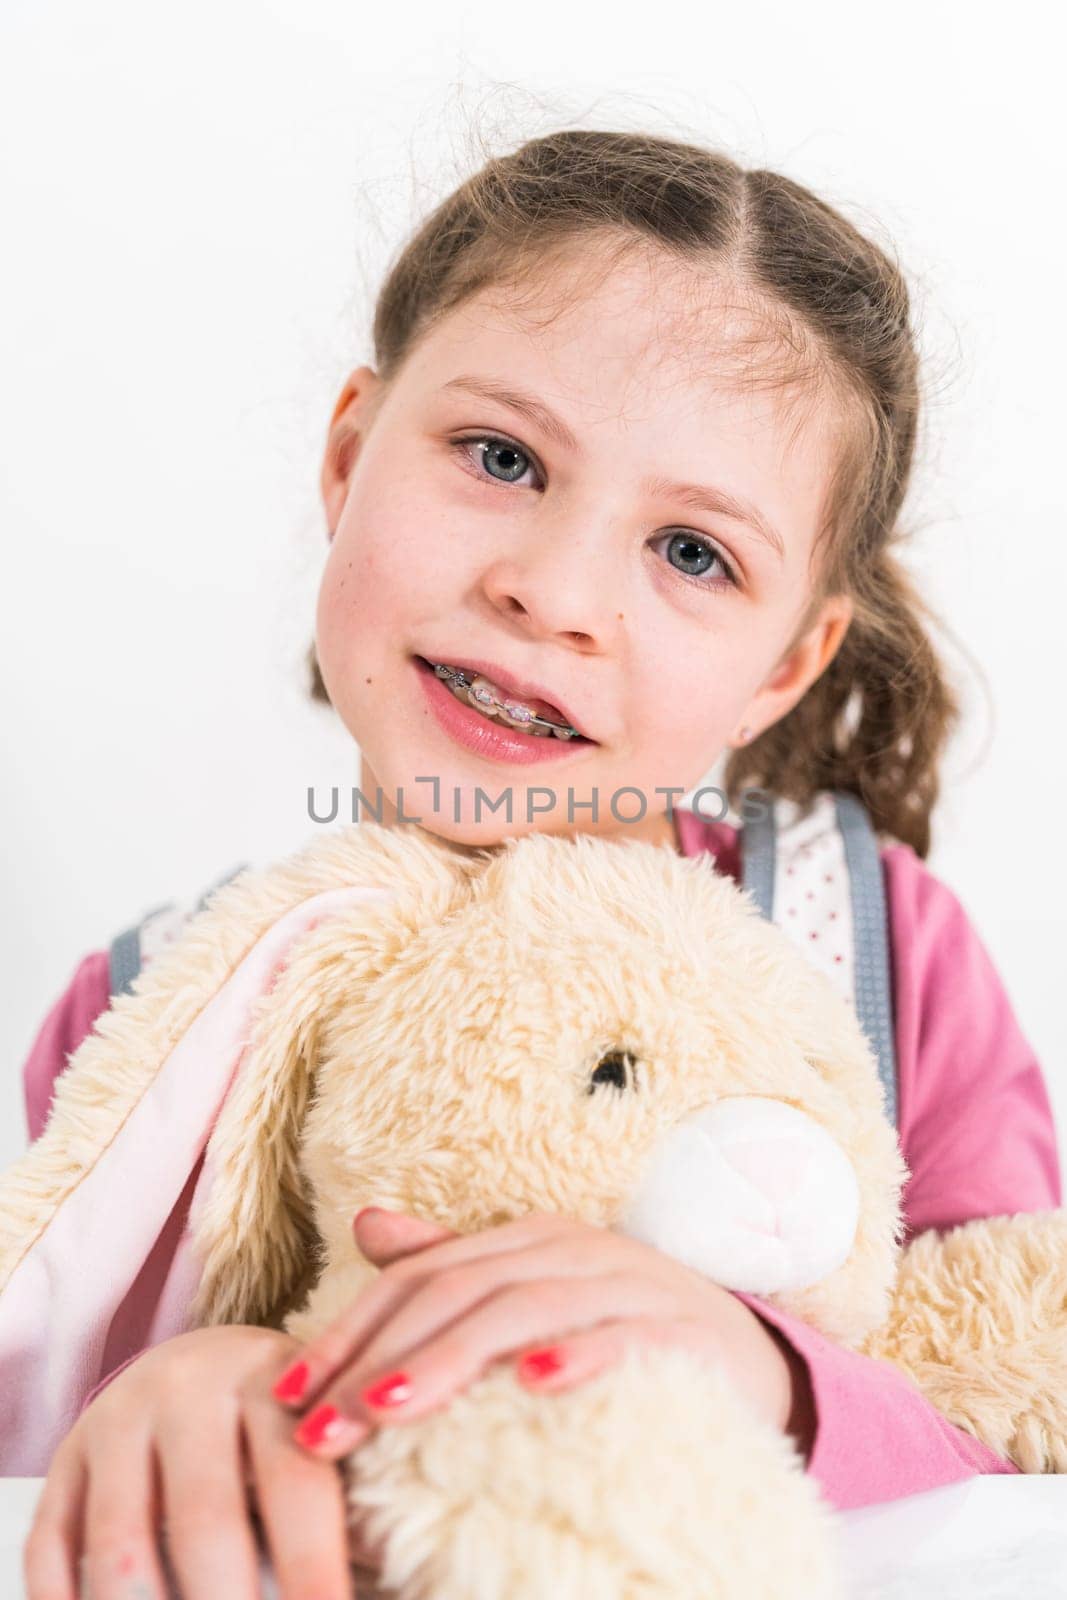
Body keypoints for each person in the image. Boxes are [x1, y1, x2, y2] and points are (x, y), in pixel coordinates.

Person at [17, 127, 1061, 1600]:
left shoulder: (880, 950)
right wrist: (152, 1395)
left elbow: (1032, 1414)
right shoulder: (147, 1006)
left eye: (693, 554)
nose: (552, 591)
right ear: (345, 456)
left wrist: (766, 1371)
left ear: (789, 664)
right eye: (500, 459)